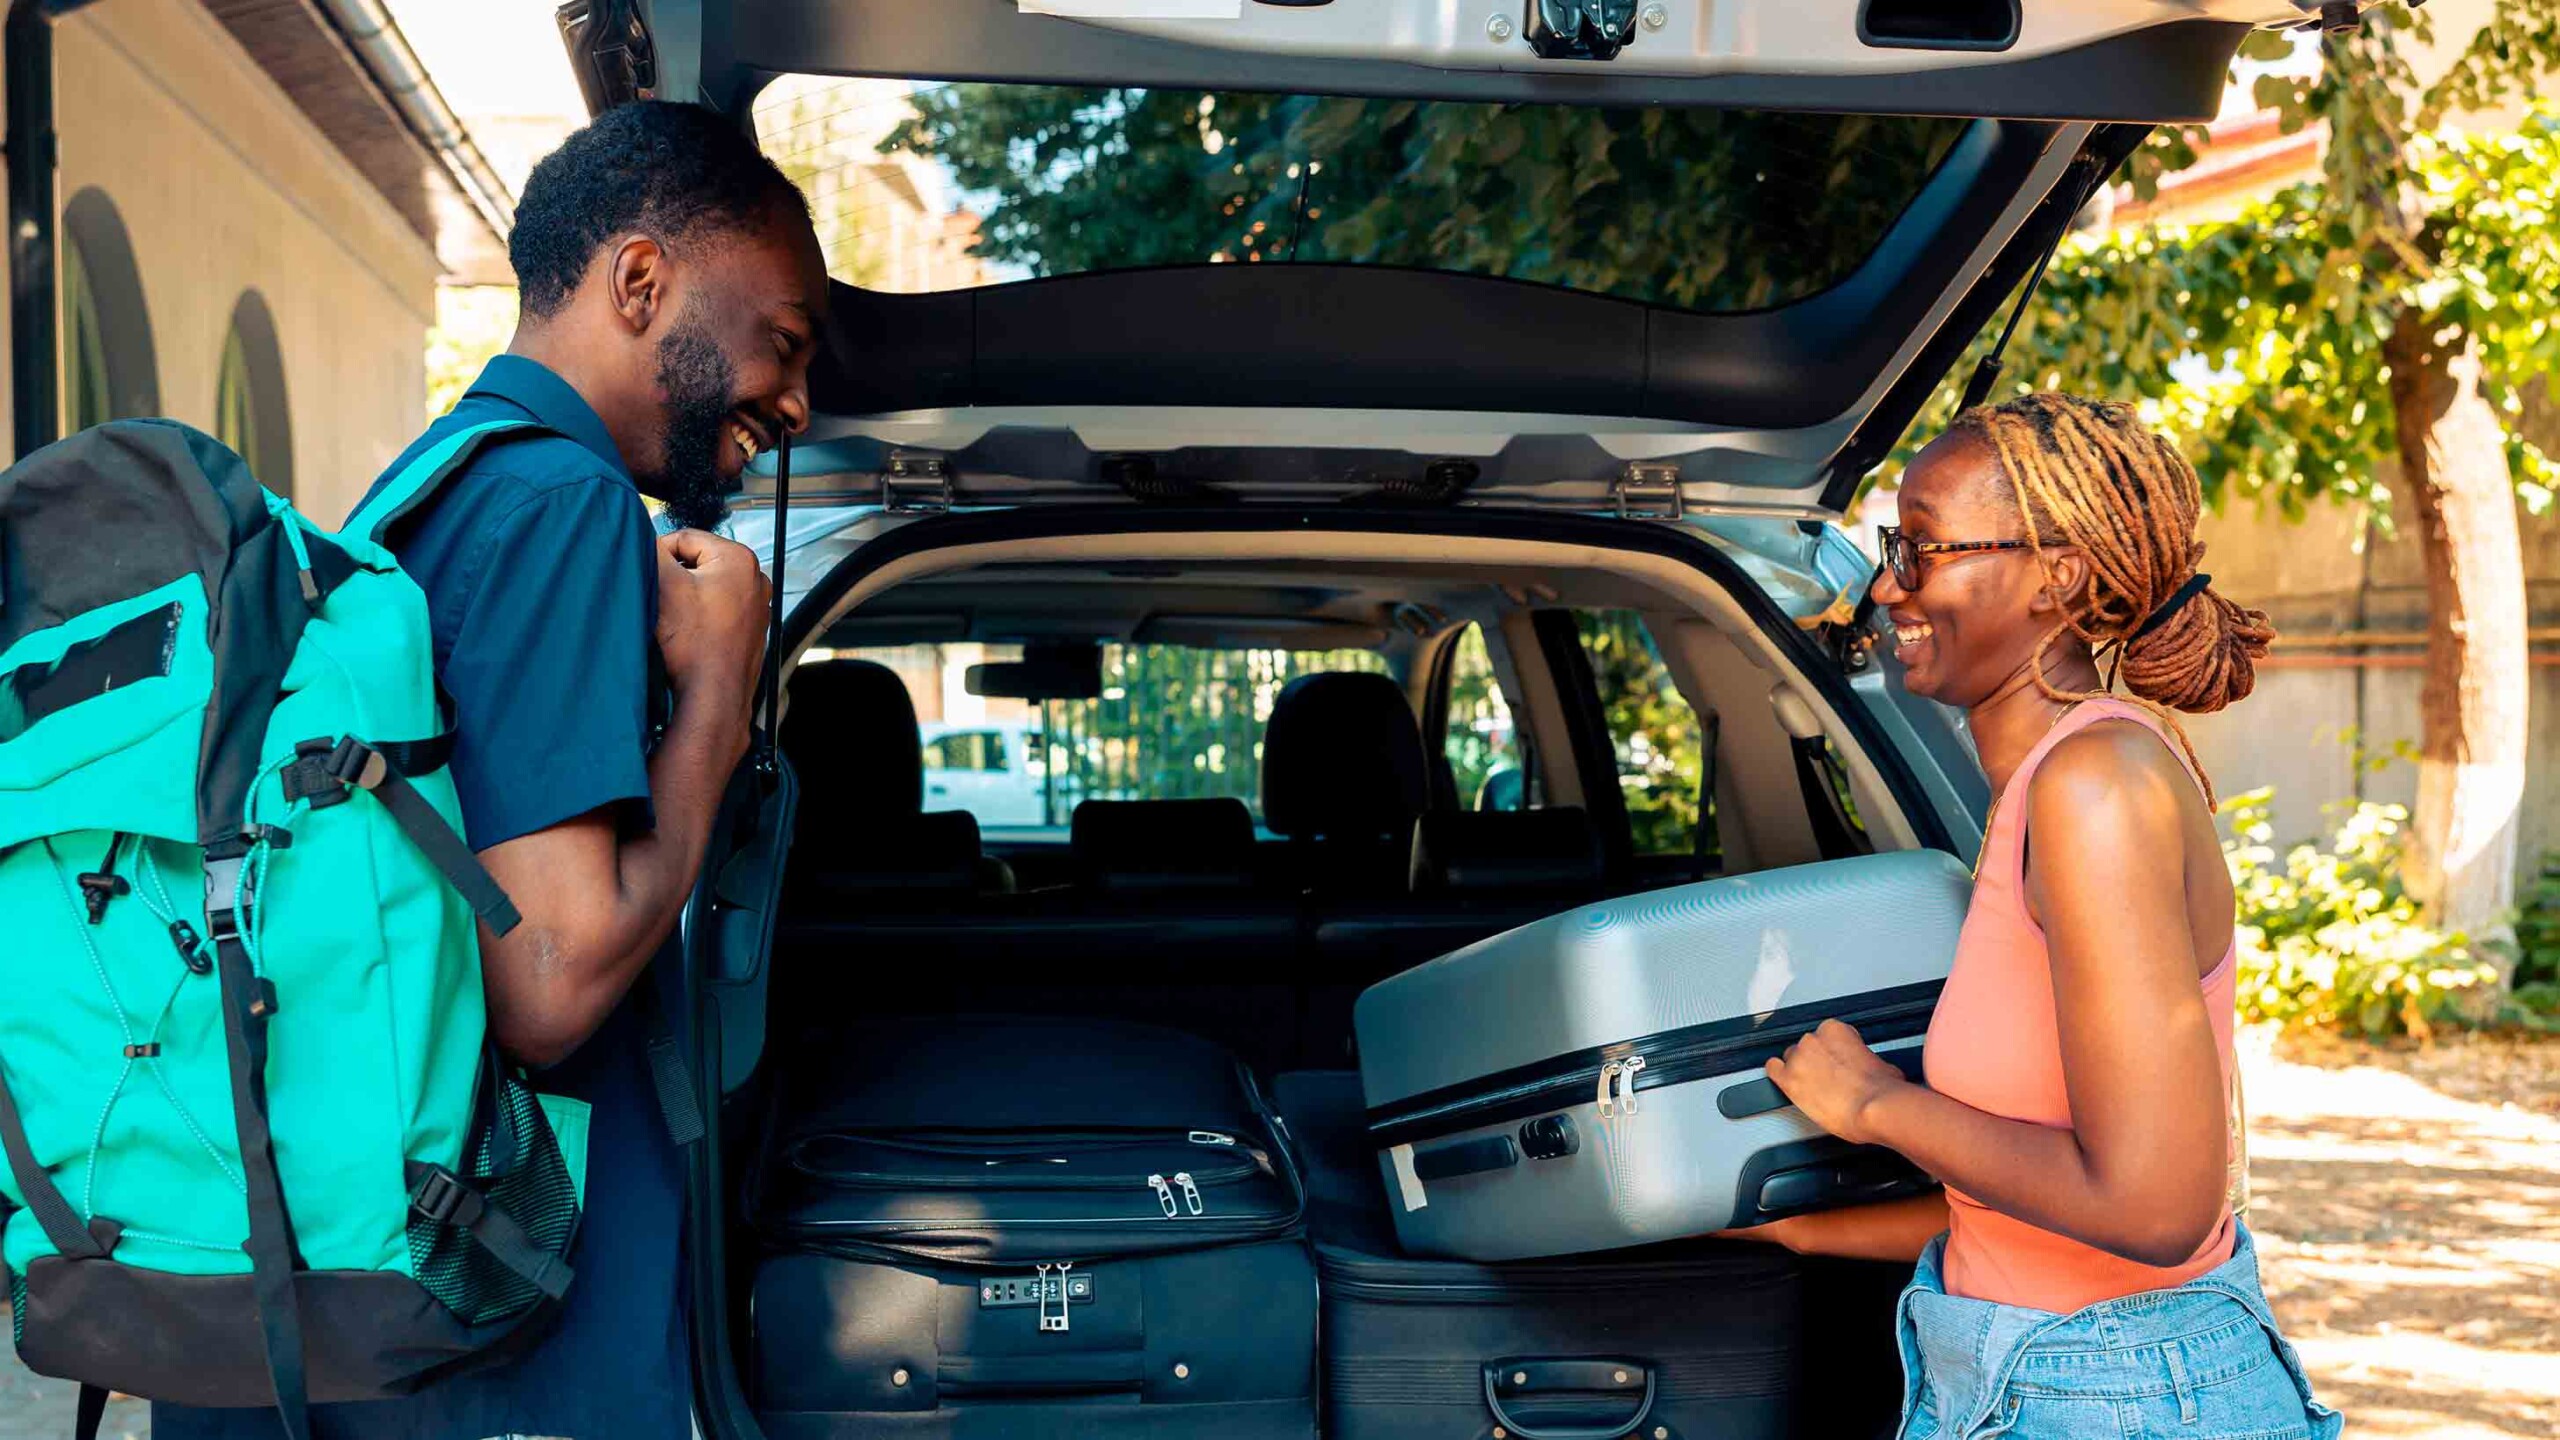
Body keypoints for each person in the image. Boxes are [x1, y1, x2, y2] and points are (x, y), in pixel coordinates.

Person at [155, 100, 827, 1440]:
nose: (798, 404)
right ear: (641, 282)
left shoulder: (420, 488)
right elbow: (549, 978)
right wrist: (717, 693)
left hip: (364, 1297)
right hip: (503, 1341)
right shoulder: (564, 507)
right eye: (784, 345)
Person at [1730, 393, 2339, 1439]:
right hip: (2031, 1372)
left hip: (2117, 1398)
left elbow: (2155, 1209)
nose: (1886, 585)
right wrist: (1804, 1234)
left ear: (2056, 576)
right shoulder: (2037, 794)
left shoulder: (2094, 786)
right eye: (1892, 547)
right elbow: (2031, 1198)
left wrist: (1876, 1106)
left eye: (1921, 549)